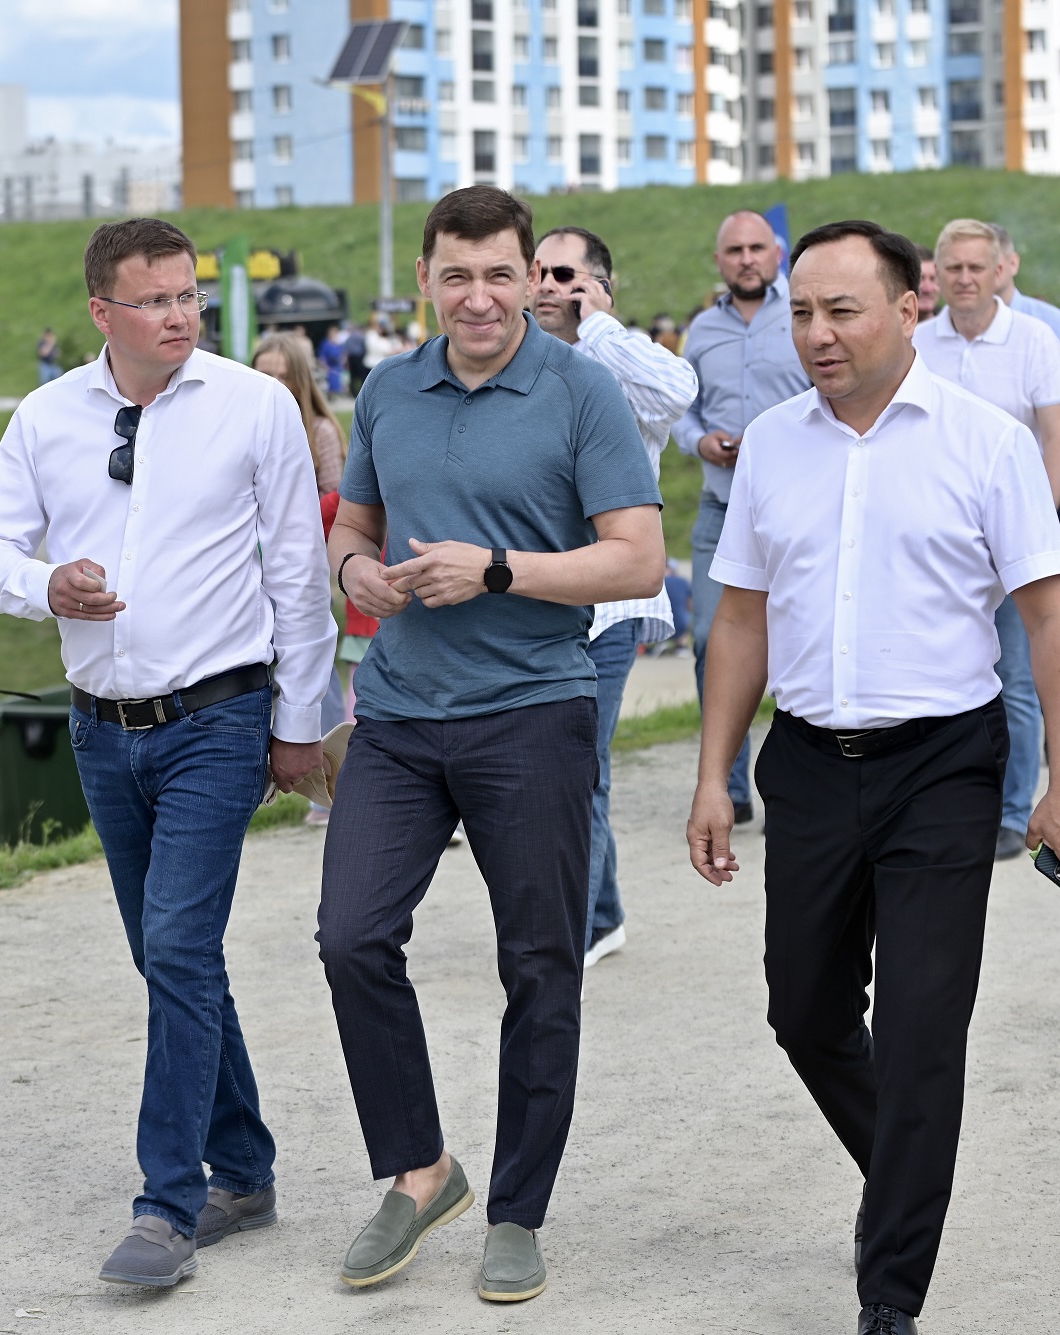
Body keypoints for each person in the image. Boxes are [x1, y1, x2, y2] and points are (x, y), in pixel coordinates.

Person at [686, 219, 1060, 1335]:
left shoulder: (985, 443)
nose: (816, 334)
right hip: (808, 764)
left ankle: (890, 1292)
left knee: (923, 1028)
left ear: (907, 309)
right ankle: (906, 1176)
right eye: (801, 313)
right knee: (805, 1011)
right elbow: (739, 620)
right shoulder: (772, 444)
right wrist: (714, 775)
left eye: (841, 310)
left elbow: (1051, 622)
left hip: (943, 768)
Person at [0, 217, 334, 1289]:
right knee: (169, 956)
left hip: (220, 719)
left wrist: (298, 721)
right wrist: (46, 584)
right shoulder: (44, 417)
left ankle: (167, 1206)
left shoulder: (254, 405)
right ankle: (247, 1169)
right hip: (100, 728)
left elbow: (298, 573)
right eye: (156, 300)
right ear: (102, 312)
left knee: (176, 948)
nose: (180, 315)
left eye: (189, 296)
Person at [321, 186, 667, 1304]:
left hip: (533, 709)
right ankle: (421, 1170)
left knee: (539, 964)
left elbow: (637, 559)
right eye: (457, 275)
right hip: (400, 713)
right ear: (427, 277)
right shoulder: (388, 387)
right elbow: (353, 524)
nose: (478, 297)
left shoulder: (580, 390)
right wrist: (355, 572)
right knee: (349, 937)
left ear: (532, 279)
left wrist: (499, 570)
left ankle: (518, 1210)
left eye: (500, 274)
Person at [529, 223, 697, 967]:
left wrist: (595, 323)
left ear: (601, 285)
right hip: (533, 598)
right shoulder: (519, 359)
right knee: (557, 768)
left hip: (609, 608)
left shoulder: (624, 362)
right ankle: (601, 912)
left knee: (578, 767)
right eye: (537, 272)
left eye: (565, 275)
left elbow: (678, 392)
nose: (547, 286)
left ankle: (578, 926)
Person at [917, 219, 1060, 862]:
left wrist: (1038, 522)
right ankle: (943, 803)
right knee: (940, 672)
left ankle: (1011, 812)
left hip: (1011, 538)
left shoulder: (1035, 339)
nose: (963, 279)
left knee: (1015, 678)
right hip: (938, 542)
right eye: (952, 268)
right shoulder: (918, 341)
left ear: (1001, 270)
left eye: (975, 268)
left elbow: (1057, 435)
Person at [673, 210, 812, 826]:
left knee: (800, 639)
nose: (747, 259)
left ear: (777, 254)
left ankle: (801, 772)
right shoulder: (703, 329)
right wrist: (699, 440)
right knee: (711, 639)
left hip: (799, 505)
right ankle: (727, 783)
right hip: (721, 506)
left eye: (758, 248)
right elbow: (682, 408)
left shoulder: (804, 316)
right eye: (735, 250)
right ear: (719, 260)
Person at [993, 224, 1060, 542]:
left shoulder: (1053, 325)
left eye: (989, 263)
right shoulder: (950, 327)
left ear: (1013, 263)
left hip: (1039, 483)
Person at [253, 331, 344, 494]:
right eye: (265, 376)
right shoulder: (240, 427)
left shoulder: (321, 431)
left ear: (300, 380)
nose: (274, 385)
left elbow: (330, 500)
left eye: (284, 376)